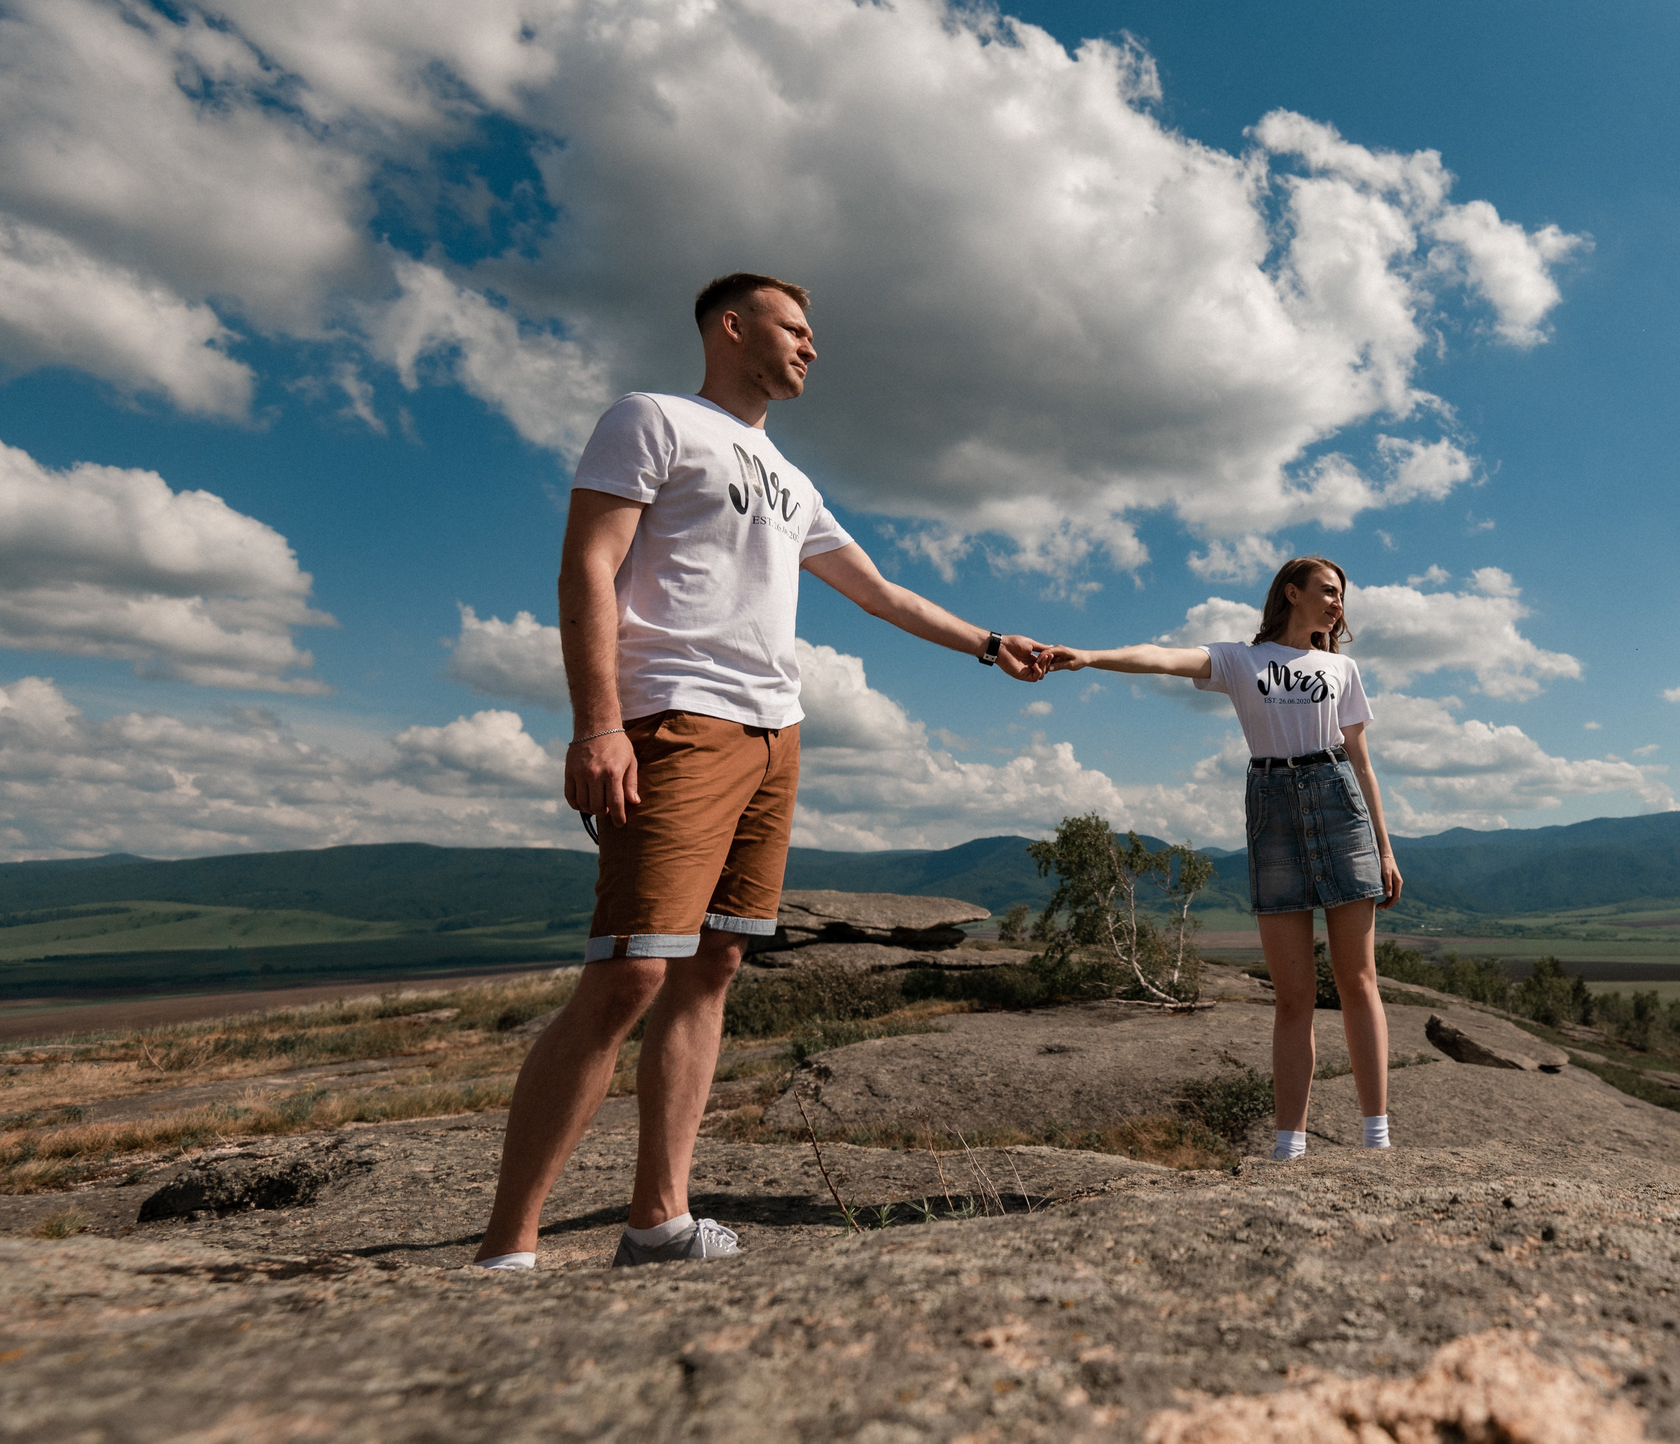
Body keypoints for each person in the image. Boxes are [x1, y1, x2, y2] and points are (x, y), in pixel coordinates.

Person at [473, 272, 1051, 1271]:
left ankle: (658, 1219)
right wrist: (597, 722)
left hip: (775, 729)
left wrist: (987, 639)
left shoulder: (788, 476)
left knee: (713, 967)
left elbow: (876, 590)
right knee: (629, 974)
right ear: (731, 327)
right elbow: (587, 567)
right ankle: (506, 1245)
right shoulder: (652, 419)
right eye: (794, 326)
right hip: (677, 718)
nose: (812, 345)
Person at [1042, 557, 1402, 1160]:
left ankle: (1377, 1139)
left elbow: (1362, 762)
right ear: (1293, 593)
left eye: (1342, 595)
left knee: (1358, 980)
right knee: (1293, 997)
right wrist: (1088, 656)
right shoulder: (1242, 659)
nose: (1339, 603)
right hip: (1273, 809)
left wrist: (1385, 848)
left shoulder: (1341, 667)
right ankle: (1289, 1147)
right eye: (1329, 591)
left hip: (1340, 805)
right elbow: (1161, 656)